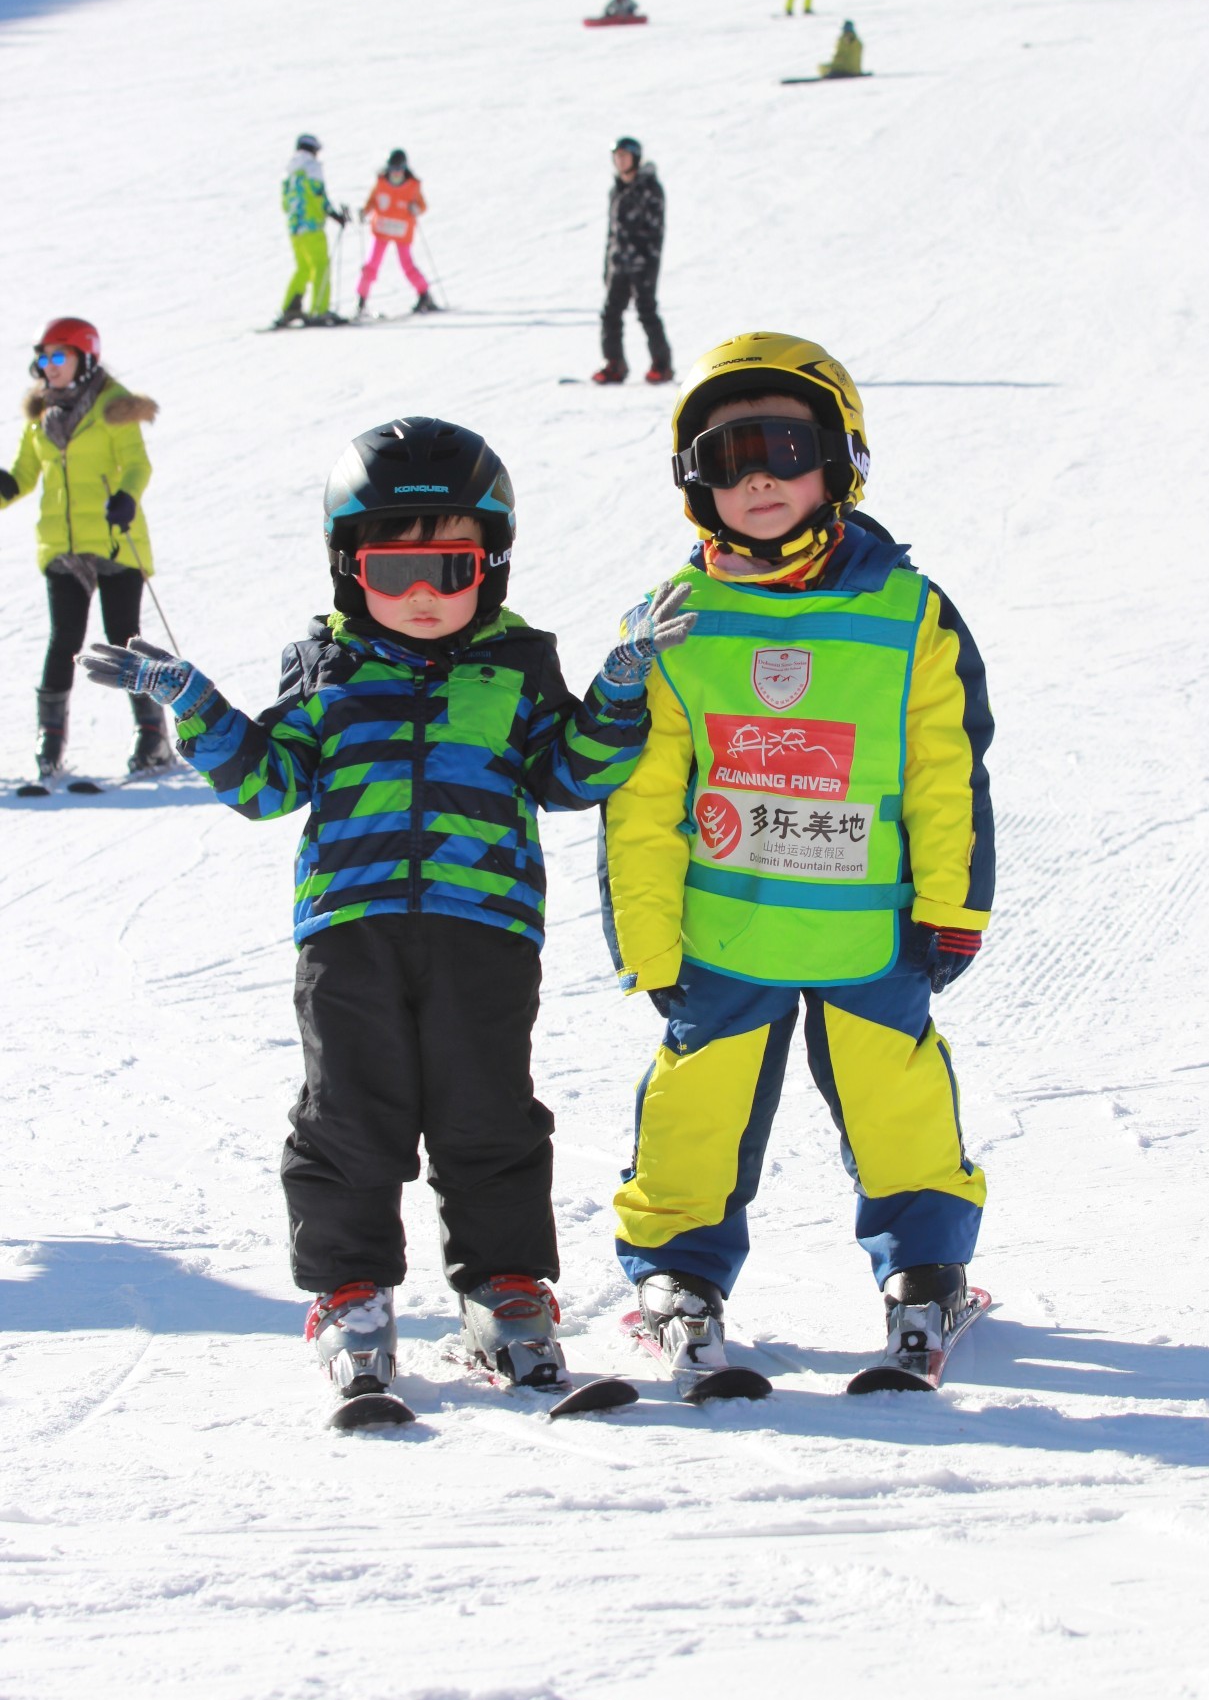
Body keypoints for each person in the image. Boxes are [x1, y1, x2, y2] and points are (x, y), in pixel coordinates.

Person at [79, 415, 694, 1410]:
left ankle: (507, 1288)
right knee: (351, 1118)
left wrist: (620, 685)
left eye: (448, 569)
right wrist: (188, 697)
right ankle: (351, 1292)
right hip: (349, 933)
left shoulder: (519, 663)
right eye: (389, 567)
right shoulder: (324, 668)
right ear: (344, 566)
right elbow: (266, 783)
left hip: (485, 930)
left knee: (486, 1113)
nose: (418, 595)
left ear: (489, 567)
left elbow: (571, 774)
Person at [599, 332, 994, 1390]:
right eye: (727, 456)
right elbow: (642, 796)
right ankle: (679, 1269)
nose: (759, 475)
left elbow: (943, 768)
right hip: (727, 934)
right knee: (698, 1109)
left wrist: (953, 906)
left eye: (784, 444)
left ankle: (924, 1266)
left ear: (841, 457)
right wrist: (649, 938)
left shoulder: (908, 613)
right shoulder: (674, 623)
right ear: (696, 482)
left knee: (897, 1101)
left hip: (873, 930)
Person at [0, 316, 172, 782]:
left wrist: (125, 497)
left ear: (85, 356)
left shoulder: (115, 406)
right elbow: (22, 475)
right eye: (43, 356)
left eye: (59, 355)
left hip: (115, 538)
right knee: (64, 640)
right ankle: (49, 741)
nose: (48, 365)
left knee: (124, 640)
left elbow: (137, 464)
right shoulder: (41, 417)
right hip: (63, 544)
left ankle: (152, 735)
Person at [594, 135, 672, 386]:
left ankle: (662, 365)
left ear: (635, 158)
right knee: (610, 314)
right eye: (617, 157)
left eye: (624, 157)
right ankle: (614, 364)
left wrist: (649, 266)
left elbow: (656, 232)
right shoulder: (616, 189)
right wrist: (608, 266)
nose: (620, 161)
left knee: (646, 311)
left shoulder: (649, 188)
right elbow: (612, 232)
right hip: (619, 263)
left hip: (642, 264)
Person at [276, 133, 348, 327]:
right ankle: (319, 310)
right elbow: (318, 196)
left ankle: (291, 307)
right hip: (312, 226)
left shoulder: (289, 171)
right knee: (321, 266)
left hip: (294, 228)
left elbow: (285, 203)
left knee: (303, 268)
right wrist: (333, 215)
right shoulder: (311, 168)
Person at [355, 150, 435, 317]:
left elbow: (423, 205)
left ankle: (424, 295)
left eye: (399, 170)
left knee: (407, 265)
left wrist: (417, 209)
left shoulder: (412, 186)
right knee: (371, 265)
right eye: (393, 170)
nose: (395, 174)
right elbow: (372, 201)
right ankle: (361, 301)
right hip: (382, 230)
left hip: (402, 231)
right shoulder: (381, 182)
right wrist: (365, 211)